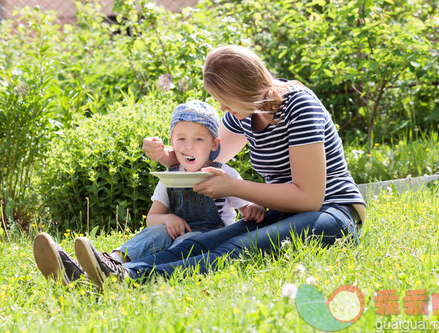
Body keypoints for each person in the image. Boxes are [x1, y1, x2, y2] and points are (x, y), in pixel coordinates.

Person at [73, 45, 367, 289]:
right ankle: (97, 271)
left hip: (333, 213)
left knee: (237, 249)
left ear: (246, 88)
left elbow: (309, 197)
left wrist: (236, 188)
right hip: (284, 214)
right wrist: (166, 155)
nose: (223, 109)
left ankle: (128, 277)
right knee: (205, 242)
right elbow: (205, 157)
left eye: (224, 100)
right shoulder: (244, 112)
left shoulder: (299, 107)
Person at [33, 100, 265, 286]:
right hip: (173, 236)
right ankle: (110, 261)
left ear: (214, 144)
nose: (189, 146)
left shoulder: (223, 174)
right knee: (155, 233)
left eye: (198, 139)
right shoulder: (170, 177)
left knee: (188, 241)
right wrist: (168, 219)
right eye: (181, 139)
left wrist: (252, 209)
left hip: (207, 241)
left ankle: (109, 274)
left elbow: (247, 209)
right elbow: (152, 218)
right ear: (172, 142)